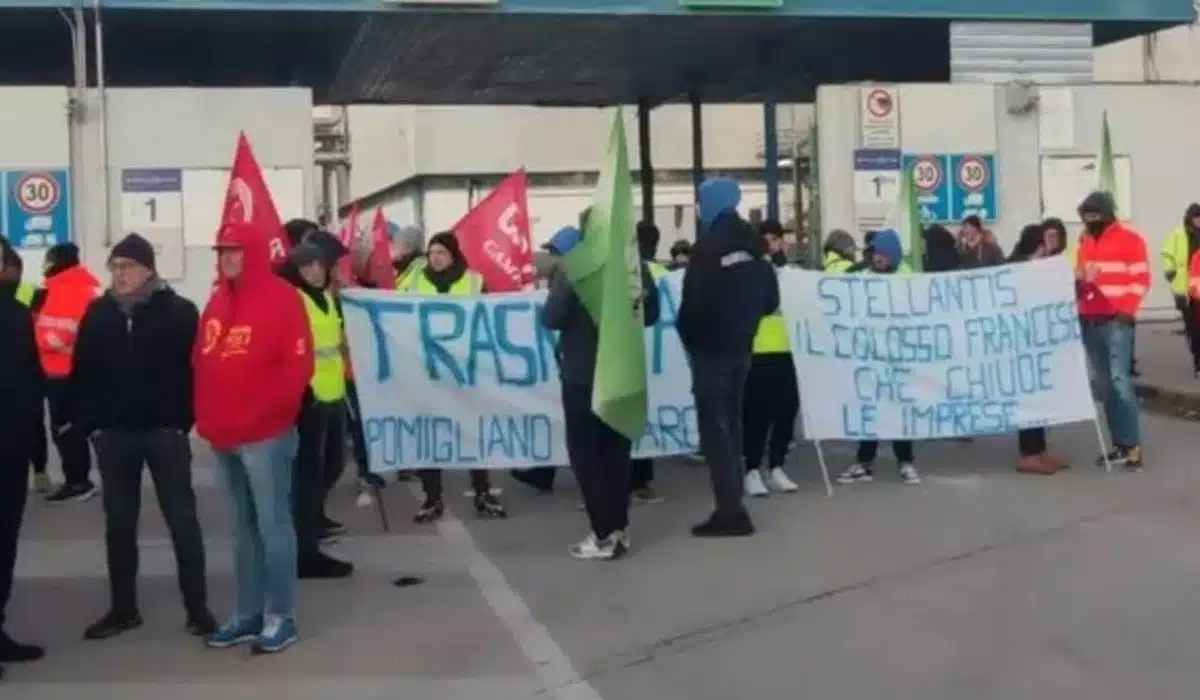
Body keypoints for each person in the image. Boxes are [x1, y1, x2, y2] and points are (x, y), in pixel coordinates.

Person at [69, 234, 215, 640]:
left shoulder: (180, 312)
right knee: (119, 524)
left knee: (182, 521)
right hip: (114, 436)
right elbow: (82, 373)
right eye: (115, 267)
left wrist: (183, 420)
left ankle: (197, 608)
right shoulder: (98, 314)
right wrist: (90, 426)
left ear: (149, 269)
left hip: (165, 433)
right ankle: (123, 609)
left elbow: (197, 369)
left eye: (128, 267)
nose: (121, 275)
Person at [196, 222, 314, 654]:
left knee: (273, 526)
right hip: (224, 435)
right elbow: (201, 362)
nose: (227, 257)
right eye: (222, 250)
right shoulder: (217, 301)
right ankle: (248, 613)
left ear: (253, 253)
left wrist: (267, 415)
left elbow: (297, 369)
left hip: (265, 436)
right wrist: (207, 417)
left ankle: (281, 615)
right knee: (241, 530)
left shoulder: (282, 299)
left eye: (235, 250)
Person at [542, 220, 660, 559]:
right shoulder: (632, 264)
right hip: (622, 371)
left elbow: (552, 316)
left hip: (583, 374)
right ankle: (619, 528)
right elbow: (651, 314)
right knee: (616, 454)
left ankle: (603, 533)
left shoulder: (579, 267)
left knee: (587, 455)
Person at [677, 177, 779, 538]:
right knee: (732, 427)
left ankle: (730, 511)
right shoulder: (754, 244)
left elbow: (693, 305)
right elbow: (771, 299)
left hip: (711, 351)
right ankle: (734, 505)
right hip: (742, 349)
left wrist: (691, 339)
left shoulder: (708, 248)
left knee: (716, 432)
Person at [402, 232, 507, 522]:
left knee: (471, 431)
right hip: (428, 371)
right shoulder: (414, 281)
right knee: (429, 435)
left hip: (465, 370)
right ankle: (432, 496)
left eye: (441, 253)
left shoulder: (473, 281)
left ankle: (482, 492)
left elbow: (488, 319)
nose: (435, 258)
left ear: (453, 254)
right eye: (431, 252)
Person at [277, 241, 356, 579]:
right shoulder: (296, 300)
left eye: (318, 265)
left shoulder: (327, 299)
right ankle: (303, 549)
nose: (313, 270)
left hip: (333, 395)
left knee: (333, 464)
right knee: (306, 477)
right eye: (306, 266)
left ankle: (308, 524)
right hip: (308, 401)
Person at [836, 230, 921, 486]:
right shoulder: (861, 277)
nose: (877, 259)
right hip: (869, 356)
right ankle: (864, 462)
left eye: (881, 254)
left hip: (897, 357)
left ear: (892, 255)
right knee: (868, 409)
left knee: (898, 411)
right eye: (874, 254)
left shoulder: (909, 278)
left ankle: (905, 461)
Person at [0, 237, 47, 678]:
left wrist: (38, 458)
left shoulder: (16, 315)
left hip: (10, 450)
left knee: (5, 544)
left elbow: (31, 385)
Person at [1075, 191, 1149, 470]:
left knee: (1120, 383)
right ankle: (1120, 445)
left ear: (1107, 214)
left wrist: (1126, 311)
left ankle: (1133, 446)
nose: (1090, 221)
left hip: (1116, 322)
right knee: (1105, 386)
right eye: (1086, 217)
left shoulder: (1131, 240)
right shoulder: (1085, 242)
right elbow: (1080, 278)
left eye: (1095, 216)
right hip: (1090, 321)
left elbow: (1141, 278)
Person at [1005, 224, 1070, 475]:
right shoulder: (1018, 268)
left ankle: (1039, 449)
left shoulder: (1041, 266)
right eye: (1045, 241)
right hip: (1023, 345)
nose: (1048, 246)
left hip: (1040, 343)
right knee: (1030, 398)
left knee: (1041, 398)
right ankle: (1029, 453)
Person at [742, 223, 801, 498]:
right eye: (765, 240)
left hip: (789, 352)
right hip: (757, 351)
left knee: (786, 412)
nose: (771, 245)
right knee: (756, 415)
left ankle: (777, 466)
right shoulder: (750, 272)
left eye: (775, 240)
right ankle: (752, 469)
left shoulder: (794, 274)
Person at [39, 243, 100, 503]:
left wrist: (45, 343)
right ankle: (77, 478)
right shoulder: (79, 288)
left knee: (66, 429)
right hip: (67, 371)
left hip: (63, 372)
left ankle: (78, 481)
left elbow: (57, 334)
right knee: (71, 428)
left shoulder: (65, 291)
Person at [0, 243, 53, 494]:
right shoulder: (25, 292)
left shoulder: (25, 292)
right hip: (26, 370)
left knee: (32, 425)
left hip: (28, 369)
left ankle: (40, 471)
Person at [631, 221, 668, 505]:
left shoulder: (627, 270)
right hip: (659, 362)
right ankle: (643, 481)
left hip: (627, 357)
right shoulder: (663, 274)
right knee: (647, 416)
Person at [1161, 203, 1200, 376]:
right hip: (1184, 289)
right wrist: (1170, 271)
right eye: (1196, 217)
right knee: (1193, 328)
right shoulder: (1178, 234)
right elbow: (1167, 253)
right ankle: (1198, 361)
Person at [392, 225, 427, 290]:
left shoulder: (418, 267)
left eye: (398, 244)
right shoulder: (405, 265)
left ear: (406, 245)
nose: (395, 248)